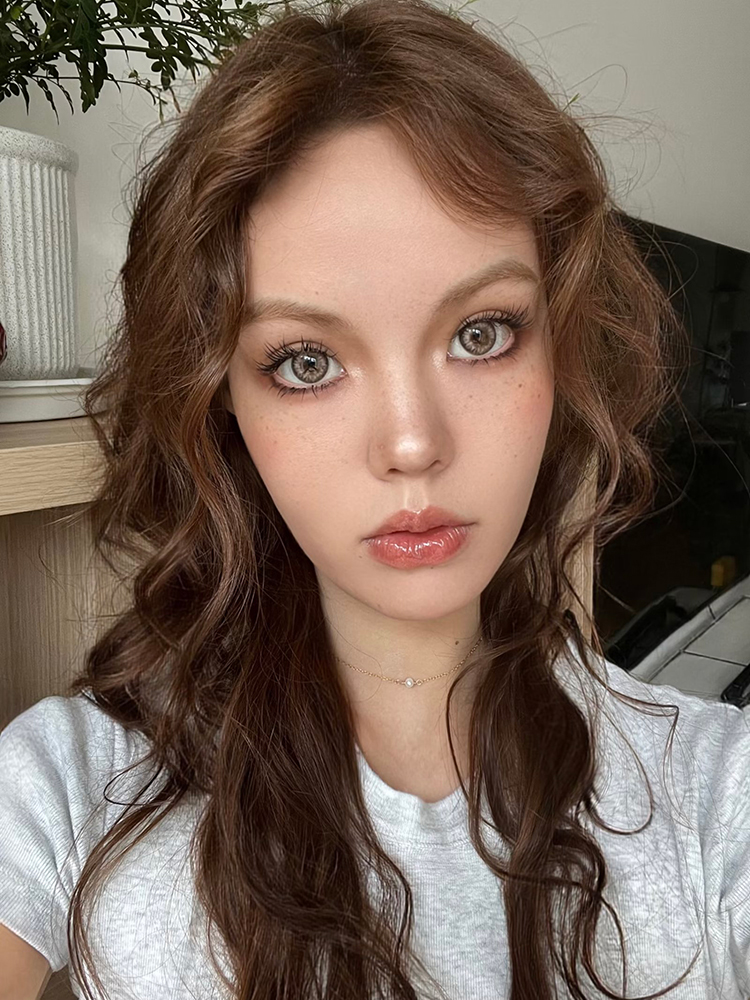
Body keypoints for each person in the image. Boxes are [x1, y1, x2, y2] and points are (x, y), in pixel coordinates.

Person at [1, 0, 749, 997]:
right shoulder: (68, 788)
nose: (411, 444)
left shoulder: (715, 791)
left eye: (481, 334)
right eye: (307, 361)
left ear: (560, 350)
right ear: (222, 401)